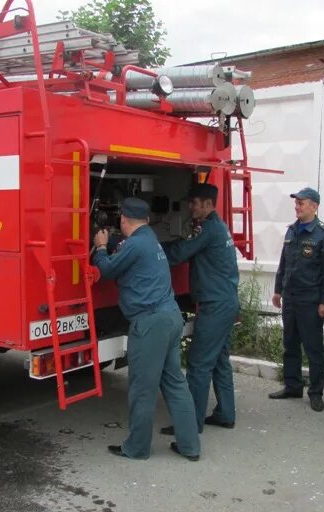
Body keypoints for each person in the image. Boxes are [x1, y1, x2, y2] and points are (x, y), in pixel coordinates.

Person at [92, 198, 200, 461]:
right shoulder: (150, 238)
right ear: (147, 220)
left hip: (150, 324)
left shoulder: (136, 244)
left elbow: (106, 270)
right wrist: (116, 243)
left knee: (142, 388)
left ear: (123, 220)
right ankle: (190, 446)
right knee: (175, 383)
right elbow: (129, 249)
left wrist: (101, 248)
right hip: (171, 316)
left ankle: (137, 448)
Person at [158, 183, 240, 435]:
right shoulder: (219, 226)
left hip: (215, 306)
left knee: (199, 364)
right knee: (219, 361)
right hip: (226, 302)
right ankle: (226, 414)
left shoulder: (206, 229)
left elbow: (180, 253)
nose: (190, 207)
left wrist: (150, 247)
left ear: (206, 204)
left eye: (193, 202)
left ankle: (190, 424)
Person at [268, 187, 324, 412]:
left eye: (301, 203)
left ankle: (316, 392)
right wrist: (278, 290)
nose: (297, 207)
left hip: (310, 300)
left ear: (314, 206)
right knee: (290, 343)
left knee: (313, 347)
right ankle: (292, 385)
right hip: (291, 297)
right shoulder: (292, 231)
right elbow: (284, 264)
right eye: (296, 203)